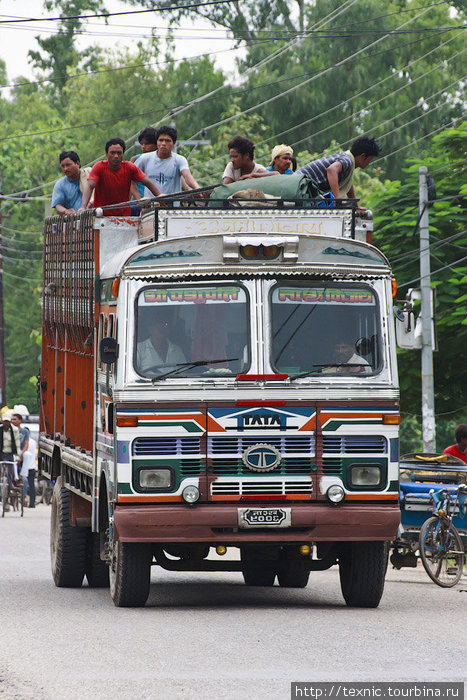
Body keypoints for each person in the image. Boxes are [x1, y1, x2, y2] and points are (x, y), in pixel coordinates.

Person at [80, 138, 162, 216]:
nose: (116, 156)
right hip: (101, 215)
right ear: (106, 154)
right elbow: (90, 185)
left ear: (123, 154)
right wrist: (83, 207)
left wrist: (160, 196)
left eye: (119, 153)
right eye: (112, 153)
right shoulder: (99, 167)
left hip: (124, 216)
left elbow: (147, 182)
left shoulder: (129, 167)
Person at [298, 136, 380, 212]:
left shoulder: (347, 159)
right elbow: (331, 170)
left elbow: (348, 185)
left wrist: (356, 207)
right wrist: (337, 199)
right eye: (370, 159)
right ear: (363, 156)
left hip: (302, 188)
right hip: (299, 187)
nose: (369, 163)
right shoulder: (347, 161)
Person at [135, 125, 200, 198]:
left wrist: (198, 189)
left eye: (167, 141)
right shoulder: (144, 159)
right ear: (157, 142)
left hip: (172, 207)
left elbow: (187, 176)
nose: (163, 144)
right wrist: (138, 199)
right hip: (151, 208)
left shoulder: (179, 160)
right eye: (161, 140)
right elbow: (130, 178)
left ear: (174, 143)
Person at [51, 151, 92, 215]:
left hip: (95, 217)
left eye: (68, 165)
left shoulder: (89, 175)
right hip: (73, 221)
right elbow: (58, 206)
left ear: (77, 163)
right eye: (63, 166)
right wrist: (66, 211)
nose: (65, 169)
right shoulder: (60, 185)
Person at [0, 411, 21, 491]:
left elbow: (17, 442)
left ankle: (10, 485)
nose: (6, 423)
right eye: (4, 421)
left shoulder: (14, 430)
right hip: (1, 452)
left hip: (10, 453)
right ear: (2, 421)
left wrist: (18, 456)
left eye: (7, 421)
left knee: (10, 471)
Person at [20, 435, 37, 508]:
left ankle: (23, 500)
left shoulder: (23, 442)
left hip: (24, 466)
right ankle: (32, 503)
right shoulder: (34, 442)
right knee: (32, 486)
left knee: (22, 484)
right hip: (32, 466)